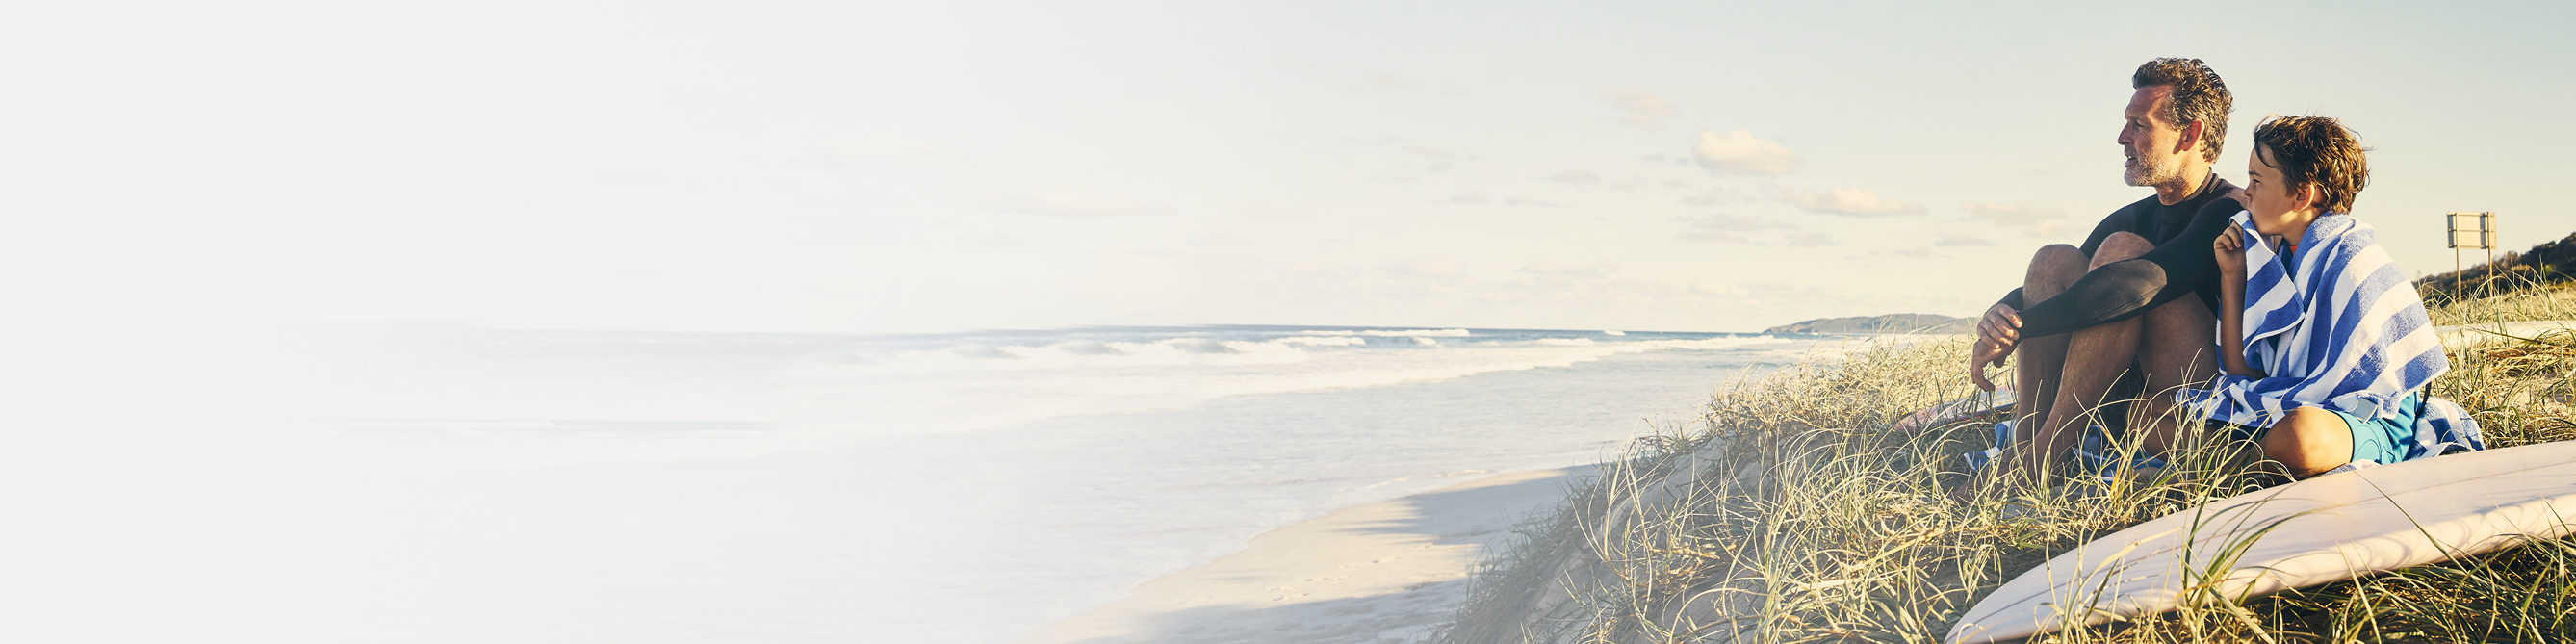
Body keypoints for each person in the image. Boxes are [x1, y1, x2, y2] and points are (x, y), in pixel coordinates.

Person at [1955, 58, 2246, 499]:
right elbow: (2061, 287)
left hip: (2192, 400)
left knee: (2122, 257)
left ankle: (2042, 459)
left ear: (2189, 135)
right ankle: (2024, 443)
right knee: (2053, 260)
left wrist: (2022, 326)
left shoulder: (2230, 210)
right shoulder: (2134, 217)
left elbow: (2135, 283)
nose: (2122, 137)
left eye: (2139, 125)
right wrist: (2002, 316)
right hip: (2126, 391)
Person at [2191, 115, 2482, 477]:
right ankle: (2248, 465)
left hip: (2367, 424)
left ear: (2302, 195)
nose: (2246, 193)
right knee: (2151, 412)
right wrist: (2233, 275)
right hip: (2286, 409)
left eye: (2256, 181)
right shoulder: (2275, 262)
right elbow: (2242, 372)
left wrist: (2300, 415)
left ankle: (2227, 470)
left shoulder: (2357, 262)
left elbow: (2368, 400)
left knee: (2302, 437)